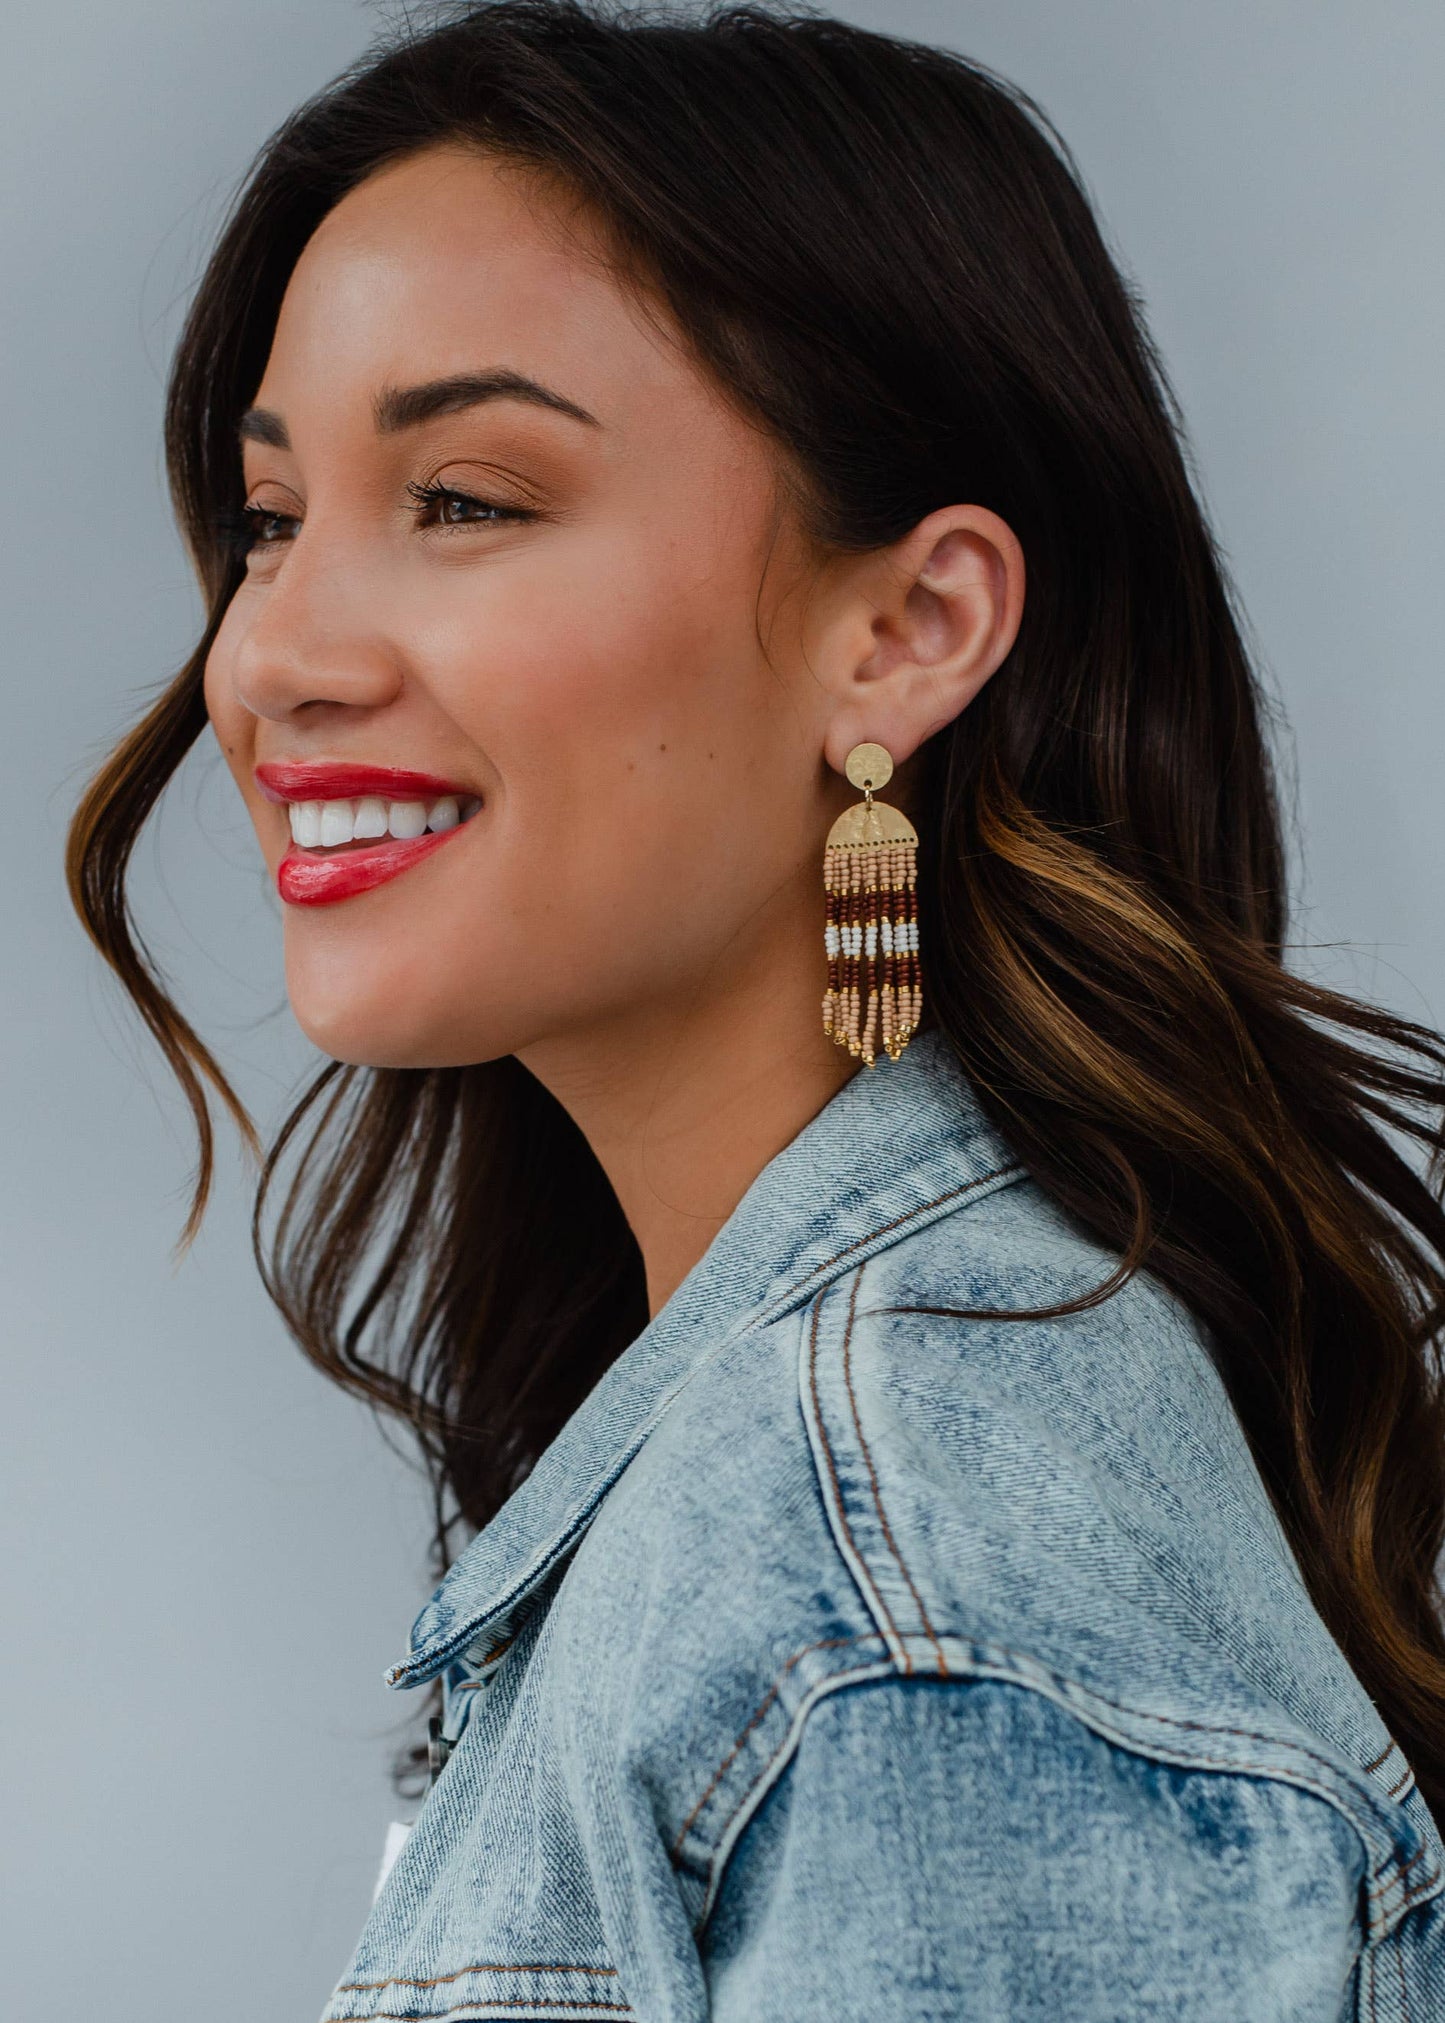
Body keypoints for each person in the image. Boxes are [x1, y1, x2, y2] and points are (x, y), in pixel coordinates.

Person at [67, 2, 1445, 2015]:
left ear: (908, 630)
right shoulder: (826, 1463)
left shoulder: (902, 1566)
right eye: (275, 519)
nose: (273, 654)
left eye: (464, 498)